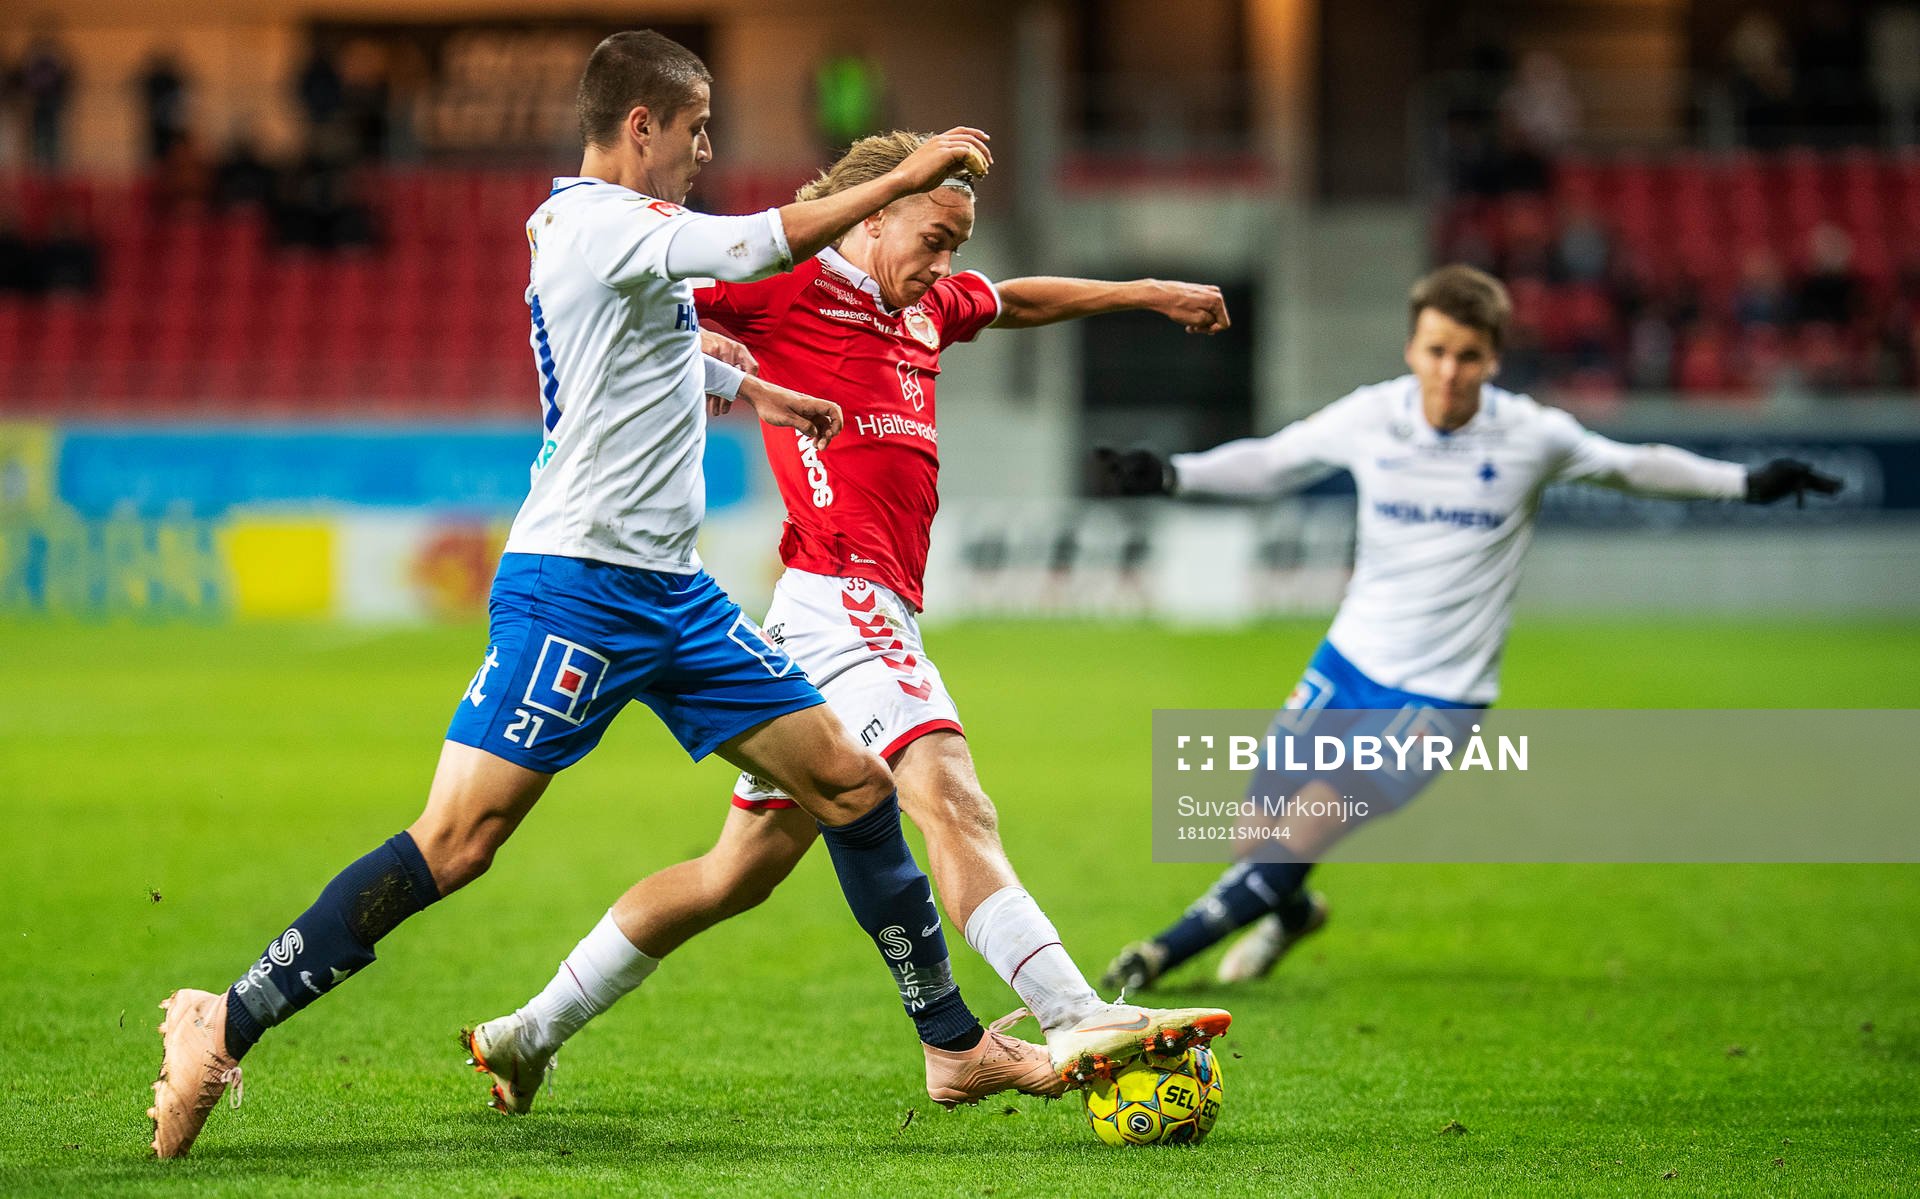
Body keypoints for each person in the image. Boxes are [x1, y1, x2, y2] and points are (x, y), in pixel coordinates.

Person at [149, 30, 1021, 1159]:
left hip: (676, 597)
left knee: (853, 786)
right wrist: (908, 173)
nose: (705, 150)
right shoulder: (599, 222)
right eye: (695, 129)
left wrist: (762, 393)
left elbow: (655, 355)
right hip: (577, 590)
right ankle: (223, 1019)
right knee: (459, 841)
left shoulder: (622, 241)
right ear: (640, 126)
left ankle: (952, 1043)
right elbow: (757, 244)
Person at [462, 130, 1236, 1116]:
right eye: (934, 238)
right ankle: (1073, 1011)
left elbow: (1017, 299)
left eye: (958, 245)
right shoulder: (787, 285)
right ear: (873, 215)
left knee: (735, 873)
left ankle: (528, 1030)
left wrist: (1150, 293)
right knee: (951, 797)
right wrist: (714, 358)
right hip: (843, 597)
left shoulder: (927, 308)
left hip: (820, 617)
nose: (946, 265)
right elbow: (622, 318)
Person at [1093, 264, 1844, 993]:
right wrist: (1174, 474)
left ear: (1494, 359)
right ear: (1411, 349)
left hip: (1441, 697)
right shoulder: (1372, 416)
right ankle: (1293, 914)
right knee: (1252, 835)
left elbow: (1634, 466)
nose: (1450, 372)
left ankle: (1156, 957)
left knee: (1311, 822)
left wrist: (1747, 483)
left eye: (1469, 356)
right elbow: (1275, 461)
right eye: (1437, 351)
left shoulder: (1531, 435)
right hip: (1348, 662)